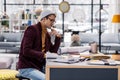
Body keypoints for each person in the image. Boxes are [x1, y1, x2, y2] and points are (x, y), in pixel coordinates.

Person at [17, 9, 61, 80]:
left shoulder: (46, 34)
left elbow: (53, 50)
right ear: (44, 19)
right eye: (51, 20)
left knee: (56, 76)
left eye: (54, 21)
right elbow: (26, 51)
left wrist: (58, 38)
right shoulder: (32, 29)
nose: (53, 23)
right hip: (27, 67)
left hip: (39, 66)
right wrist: (43, 55)